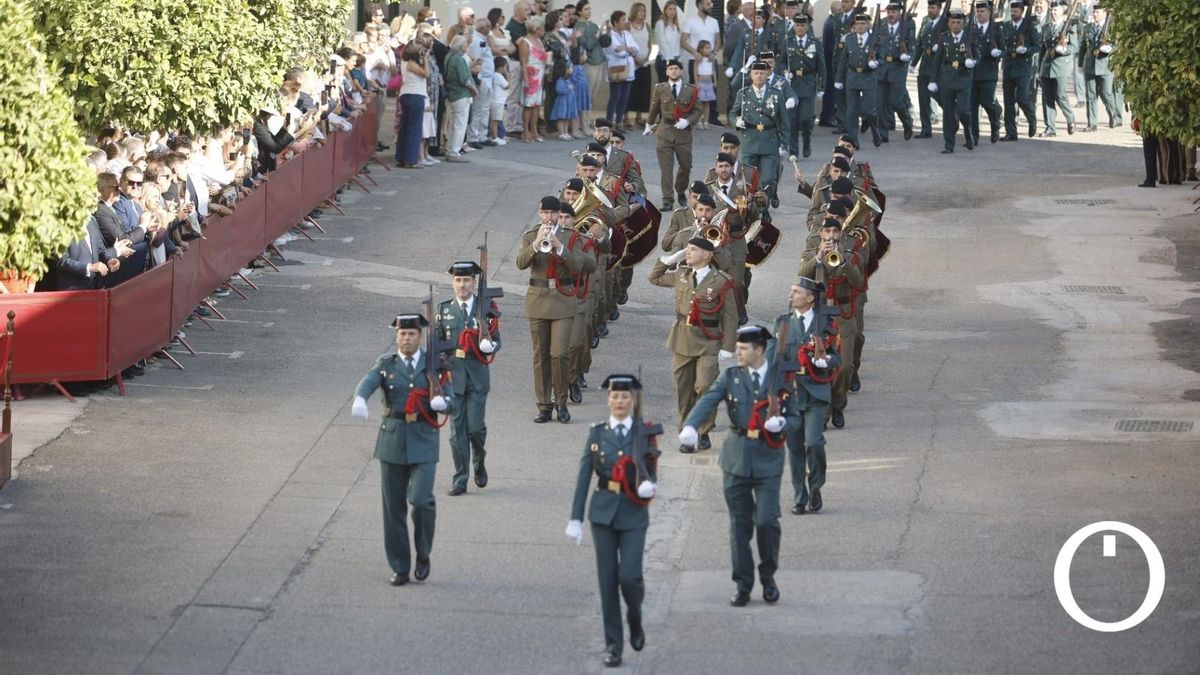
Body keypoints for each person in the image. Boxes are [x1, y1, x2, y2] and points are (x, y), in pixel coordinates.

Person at [679, 325, 795, 606]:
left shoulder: (781, 379)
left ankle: (768, 576)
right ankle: (743, 584)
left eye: (744, 349)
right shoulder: (731, 376)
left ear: (759, 350)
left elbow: (797, 414)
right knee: (739, 526)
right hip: (736, 458)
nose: (738, 353)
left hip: (768, 457)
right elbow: (709, 398)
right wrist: (691, 426)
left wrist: (784, 424)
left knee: (766, 521)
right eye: (738, 348)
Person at [566, 374, 661, 669]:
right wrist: (575, 518)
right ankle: (613, 645)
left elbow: (652, 467)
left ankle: (635, 617)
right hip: (603, 513)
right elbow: (585, 476)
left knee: (630, 577)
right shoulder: (596, 433)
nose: (619, 402)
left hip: (633, 512)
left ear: (632, 401)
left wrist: (651, 484)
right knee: (608, 582)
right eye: (615, 397)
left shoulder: (644, 432)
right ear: (608, 400)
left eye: (625, 397)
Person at [351, 313, 454, 586]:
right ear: (396, 336)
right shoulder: (386, 364)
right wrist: (360, 397)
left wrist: (444, 402)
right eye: (402, 334)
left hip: (424, 439)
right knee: (393, 507)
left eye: (411, 334)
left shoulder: (435, 365)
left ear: (420, 337)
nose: (406, 338)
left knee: (421, 500)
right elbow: (370, 380)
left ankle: (423, 553)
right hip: (392, 441)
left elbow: (452, 398)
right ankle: (400, 565)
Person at [649, 238, 739, 453]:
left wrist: (728, 346)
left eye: (693, 250)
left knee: (706, 385)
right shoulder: (681, 275)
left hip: (708, 339)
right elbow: (654, 278)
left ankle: (704, 430)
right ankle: (687, 432)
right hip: (682, 338)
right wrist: (669, 260)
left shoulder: (720, 281)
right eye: (687, 249)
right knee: (684, 388)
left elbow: (730, 317)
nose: (687, 253)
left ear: (707, 255)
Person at [518, 197, 590, 423]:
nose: (549, 218)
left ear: (560, 214)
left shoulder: (571, 236)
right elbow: (521, 263)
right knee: (541, 356)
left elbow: (578, 266)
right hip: (538, 299)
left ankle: (561, 401)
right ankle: (544, 405)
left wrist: (559, 247)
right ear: (540, 213)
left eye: (553, 213)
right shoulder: (531, 235)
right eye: (545, 213)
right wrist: (536, 244)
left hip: (562, 299)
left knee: (559, 353)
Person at [774, 277, 839, 514]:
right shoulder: (783, 324)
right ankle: (800, 496)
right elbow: (775, 359)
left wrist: (826, 359)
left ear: (810, 297)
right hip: (790, 395)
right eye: (791, 290)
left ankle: (816, 487)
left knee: (813, 443)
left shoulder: (825, 324)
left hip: (815, 393)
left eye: (796, 291)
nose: (791, 295)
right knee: (795, 449)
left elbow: (837, 357)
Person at [436, 262, 501, 496]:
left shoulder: (485, 308)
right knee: (456, 433)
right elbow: (436, 346)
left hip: (477, 376)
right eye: (457, 281)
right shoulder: (443, 310)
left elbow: (497, 339)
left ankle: (479, 461)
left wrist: (489, 345)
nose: (462, 285)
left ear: (474, 283)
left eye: (466, 281)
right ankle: (460, 479)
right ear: (453, 283)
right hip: (453, 377)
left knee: (475, 429)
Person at [797, 215, 865, 428]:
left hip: (843, 315)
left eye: (835, 232)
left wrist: (843, 262)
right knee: (822, 366)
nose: (831, 236)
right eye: (827, 232)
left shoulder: (851, 254)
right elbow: (801, 276)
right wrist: (818, 257)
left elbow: (858, 282)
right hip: (820, 315)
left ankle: (838, 403)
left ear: (840, 234)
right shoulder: (811, 253)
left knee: (844, 366)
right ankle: (825, 412)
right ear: (821, 234)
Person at [645, 59, 702, 212]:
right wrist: (649, 124)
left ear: (681, 71)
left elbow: (698, 110)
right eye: (671, 69)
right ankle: (667, 200)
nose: (674, 71)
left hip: (683, 133)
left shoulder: (690, 89)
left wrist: (688, 121)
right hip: (665, 130)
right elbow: (654, 107)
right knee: (666, 168)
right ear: (666, 72)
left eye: (677, 68)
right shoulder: (660, 88)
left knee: (685, 166)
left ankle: (681, 190)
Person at [733, 62, 788, 212]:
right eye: (756, 73)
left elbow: (784, 121)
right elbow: (733, 112)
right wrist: (737, 121)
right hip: (749, 140)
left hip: (769, 140)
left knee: (767, 179)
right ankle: (749, 209)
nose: (759, 76)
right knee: (747, 178)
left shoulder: (775, 94)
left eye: (762, 73)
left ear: (767, 75)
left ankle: (763, 208)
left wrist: (784, 144)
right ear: (751, 75)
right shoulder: (743, 93)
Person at [928, 8, 979, 154]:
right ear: (949, 24)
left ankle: (969, 133)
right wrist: (933, 80)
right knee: (948, 114)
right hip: (947, 79)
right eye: (953, 22)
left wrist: (973, 61)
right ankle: (949, 144)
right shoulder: (944, 38)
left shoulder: (969, 37)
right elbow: (937, 61)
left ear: (963, 23)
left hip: (964, 79)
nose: (956, 25)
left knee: (964, 111)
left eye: (958, 22)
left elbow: (978, 55)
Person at [780, 13, 825, 158]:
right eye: (797, 25)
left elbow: (821, 67)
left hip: (808, 83)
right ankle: (794, 151)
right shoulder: (788, 42)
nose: (800, 28)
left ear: (807, 26)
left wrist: (821, 87)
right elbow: (780, 61)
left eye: (803, 25)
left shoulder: (815, 43)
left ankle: (806, 142)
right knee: (792, 120)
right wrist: (784, 71)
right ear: (794, 26)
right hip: (792, 84)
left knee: (806, 119)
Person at [834, 13, 882, 149]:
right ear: (854, 26)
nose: (860, 26)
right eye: (857, 24)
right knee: (851, 111)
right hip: (853, 76)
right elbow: (843, 60)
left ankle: (875, 131)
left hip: (868, 77)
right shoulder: (849, 39)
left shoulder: (875, 39)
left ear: (867, 25)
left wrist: (876, 63)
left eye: (863, 24)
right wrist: (839, 79)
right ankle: (853, 140)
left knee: (869, 110)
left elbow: (882, 57)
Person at [873, 2, 914, 143]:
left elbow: (912, 44)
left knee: (896, 101)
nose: (891, 14)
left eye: (894, 12)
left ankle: (907, 122)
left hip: (898, 66)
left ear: (899, 13)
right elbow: (875, 44)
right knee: (880, 103)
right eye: (889, 11)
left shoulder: (907, 24)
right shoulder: (881, 24)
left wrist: (908, 56)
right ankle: (883, 133)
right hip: (882, 66)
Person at [1000, 0, 1040, 141]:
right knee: (1008, 101)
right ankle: (1011, 132)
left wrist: (1026, 50)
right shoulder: (1006, 27)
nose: (1013, 14)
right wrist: (1006, 53)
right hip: (1009, 67)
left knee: (1022, 98)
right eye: (1012, 11)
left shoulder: (1029, 27)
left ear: (1022, 11)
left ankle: (1031, 118)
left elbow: (1037, 46)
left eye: (1016, 11)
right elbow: (1002, 46)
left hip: (1023, 67)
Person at [1079, 2, 1120, 132]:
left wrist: (1109, 48)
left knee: (1106, 93)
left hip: (1105, 65)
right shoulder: (1088, 28)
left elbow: (1117, 44)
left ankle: (1113, 115)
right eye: (1094, 12)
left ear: (1104, 13)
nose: (1095, 14)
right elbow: (1083, 47)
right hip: (1090, 65)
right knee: (1090, 95)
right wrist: (1081, 63)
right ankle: (1092, 123)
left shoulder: (1112, 28)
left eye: (1098, 12)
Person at [1038, 0, 1076, 137]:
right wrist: (1039, 69)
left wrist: (1063, 49)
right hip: (1047, 66)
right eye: (1052, 10)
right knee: (1047, 98)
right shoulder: (1046, 27)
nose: (1053, 12)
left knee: (1060, 95)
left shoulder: (1070, 27)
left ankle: (1070, 118)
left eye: (1056, 10)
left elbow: (1074, 47)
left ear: (1062, 11)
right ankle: (1050, 127)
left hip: (1061, 66)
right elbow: (1043, 49)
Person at [967, 0, 1003, 146]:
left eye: (983, 11)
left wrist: (997, 53)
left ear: (989, 13)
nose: (980, 14)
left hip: (989, 73)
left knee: (987, 102)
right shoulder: (972, 29)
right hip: (973, 73)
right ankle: (974, 136)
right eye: (978, 12)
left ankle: (995, 124)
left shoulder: (996, 29)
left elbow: (1004, 49)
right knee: (972, 106)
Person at [682, 0, 723, 124]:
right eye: (707, 3)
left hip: (710, 60)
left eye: (711, 3)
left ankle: (711, 118)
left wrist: (714, 53)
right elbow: (683, 41)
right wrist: (695, 53)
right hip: (695, 60)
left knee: (712, 90)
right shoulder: (690, 21)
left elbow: (718, 41)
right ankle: (694, 118)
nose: (711, 5)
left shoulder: (714, 22)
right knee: (695, 91)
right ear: (700, 5)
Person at [910, 0, 944, 138]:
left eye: (933, 7)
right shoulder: (925, 21)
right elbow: (919, 43)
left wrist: (941, 47)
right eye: (929, 7)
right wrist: (913, 63)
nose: (930, 10)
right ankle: (926, 128)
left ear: (939, 8)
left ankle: (953, 117)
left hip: (939, 65)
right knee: (923, 98)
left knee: (940, 97)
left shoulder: (947, 22)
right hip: (925, 64)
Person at [576, 0, 613, 126]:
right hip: (589, 63)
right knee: (587, 94)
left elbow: (604, 43)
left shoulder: (592, 25)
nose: (589, 11)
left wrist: (606, 31)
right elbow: (587, 45)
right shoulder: (578, 26)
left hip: (600, 61)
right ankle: (583, 123)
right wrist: (597, 35)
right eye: (586, 9)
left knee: (593, 95)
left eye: (589, 9)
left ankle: (586, 121)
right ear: (580, 11)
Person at [396, 40, 431, 168]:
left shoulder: (405, 62)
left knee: (405, 127)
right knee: (414, 129)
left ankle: (401, 157)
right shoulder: (411, 63)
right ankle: (411, 160)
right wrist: (425, 59)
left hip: (406, 94)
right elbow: (426, 74)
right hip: (415, 95)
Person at [444, 35, 479, 162]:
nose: (467, 47)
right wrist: (474, 89)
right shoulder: (458, 59)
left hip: (452, 93)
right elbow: (464, 78)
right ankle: (454, 151)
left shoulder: (449, 56)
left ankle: (450, 149)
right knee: (460, 124)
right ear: (461, 47)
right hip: (461, 94)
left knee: (454, 123)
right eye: (465, 45)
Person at [518, 16, 550, 142]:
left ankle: (534, 130)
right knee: (528, 105)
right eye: (541, 28)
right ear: (536, 29)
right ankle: (525, 131)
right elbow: (523, 63)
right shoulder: (525, 42)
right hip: (530, 76)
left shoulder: (539, 41)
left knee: (536, 105)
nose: (543, 30)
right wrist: (525, 79)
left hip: (540, 75)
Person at [605, 11, 639, 127]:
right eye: (623, 20)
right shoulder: (609, 35)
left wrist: (625, 48)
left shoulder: (627, 34)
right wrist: (629, 50)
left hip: (628, 70)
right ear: (615, 22)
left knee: (624, 98)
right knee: (615, 97)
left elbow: (636, 49)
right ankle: (609, 123)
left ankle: (619, 123)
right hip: (616, 69)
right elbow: (617, 52)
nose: (626, 22)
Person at [625, 3, 653, 126]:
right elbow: (625, 43)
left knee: (643, 89)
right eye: (640, 10)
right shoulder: (628, 26)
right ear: (634, 11)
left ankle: (639, 115)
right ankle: (625, 116)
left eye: (644, 10)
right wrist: (635, 58)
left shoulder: (647, 26)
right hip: (632, 63)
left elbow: (649, 44)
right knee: (630, 90)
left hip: (645, 63)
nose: (642, 13)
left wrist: (646, 57)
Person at [654, 1, 684, 86]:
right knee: (665, 88)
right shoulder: (660, 24)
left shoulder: (677, 26)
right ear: (665, 10)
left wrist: (679, 59)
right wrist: (671, 60)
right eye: (670, 9)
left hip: (676, 60)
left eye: (674, 9)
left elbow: (679, 44)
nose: (672, 11)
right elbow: (662, 42)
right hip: (665, 60)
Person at [694, 40, 718, 128]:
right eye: (707, 48)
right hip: (701, 82)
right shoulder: (698, 59)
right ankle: (699, 121)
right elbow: (695, 71)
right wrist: (696, 82)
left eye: (710, 48)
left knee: (707, 103)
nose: (709, 50)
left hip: (709, 82)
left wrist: (714, 81)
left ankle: (706, 121)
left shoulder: (711, 59)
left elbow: (714, 70)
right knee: (700, 103)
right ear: (701, 49)